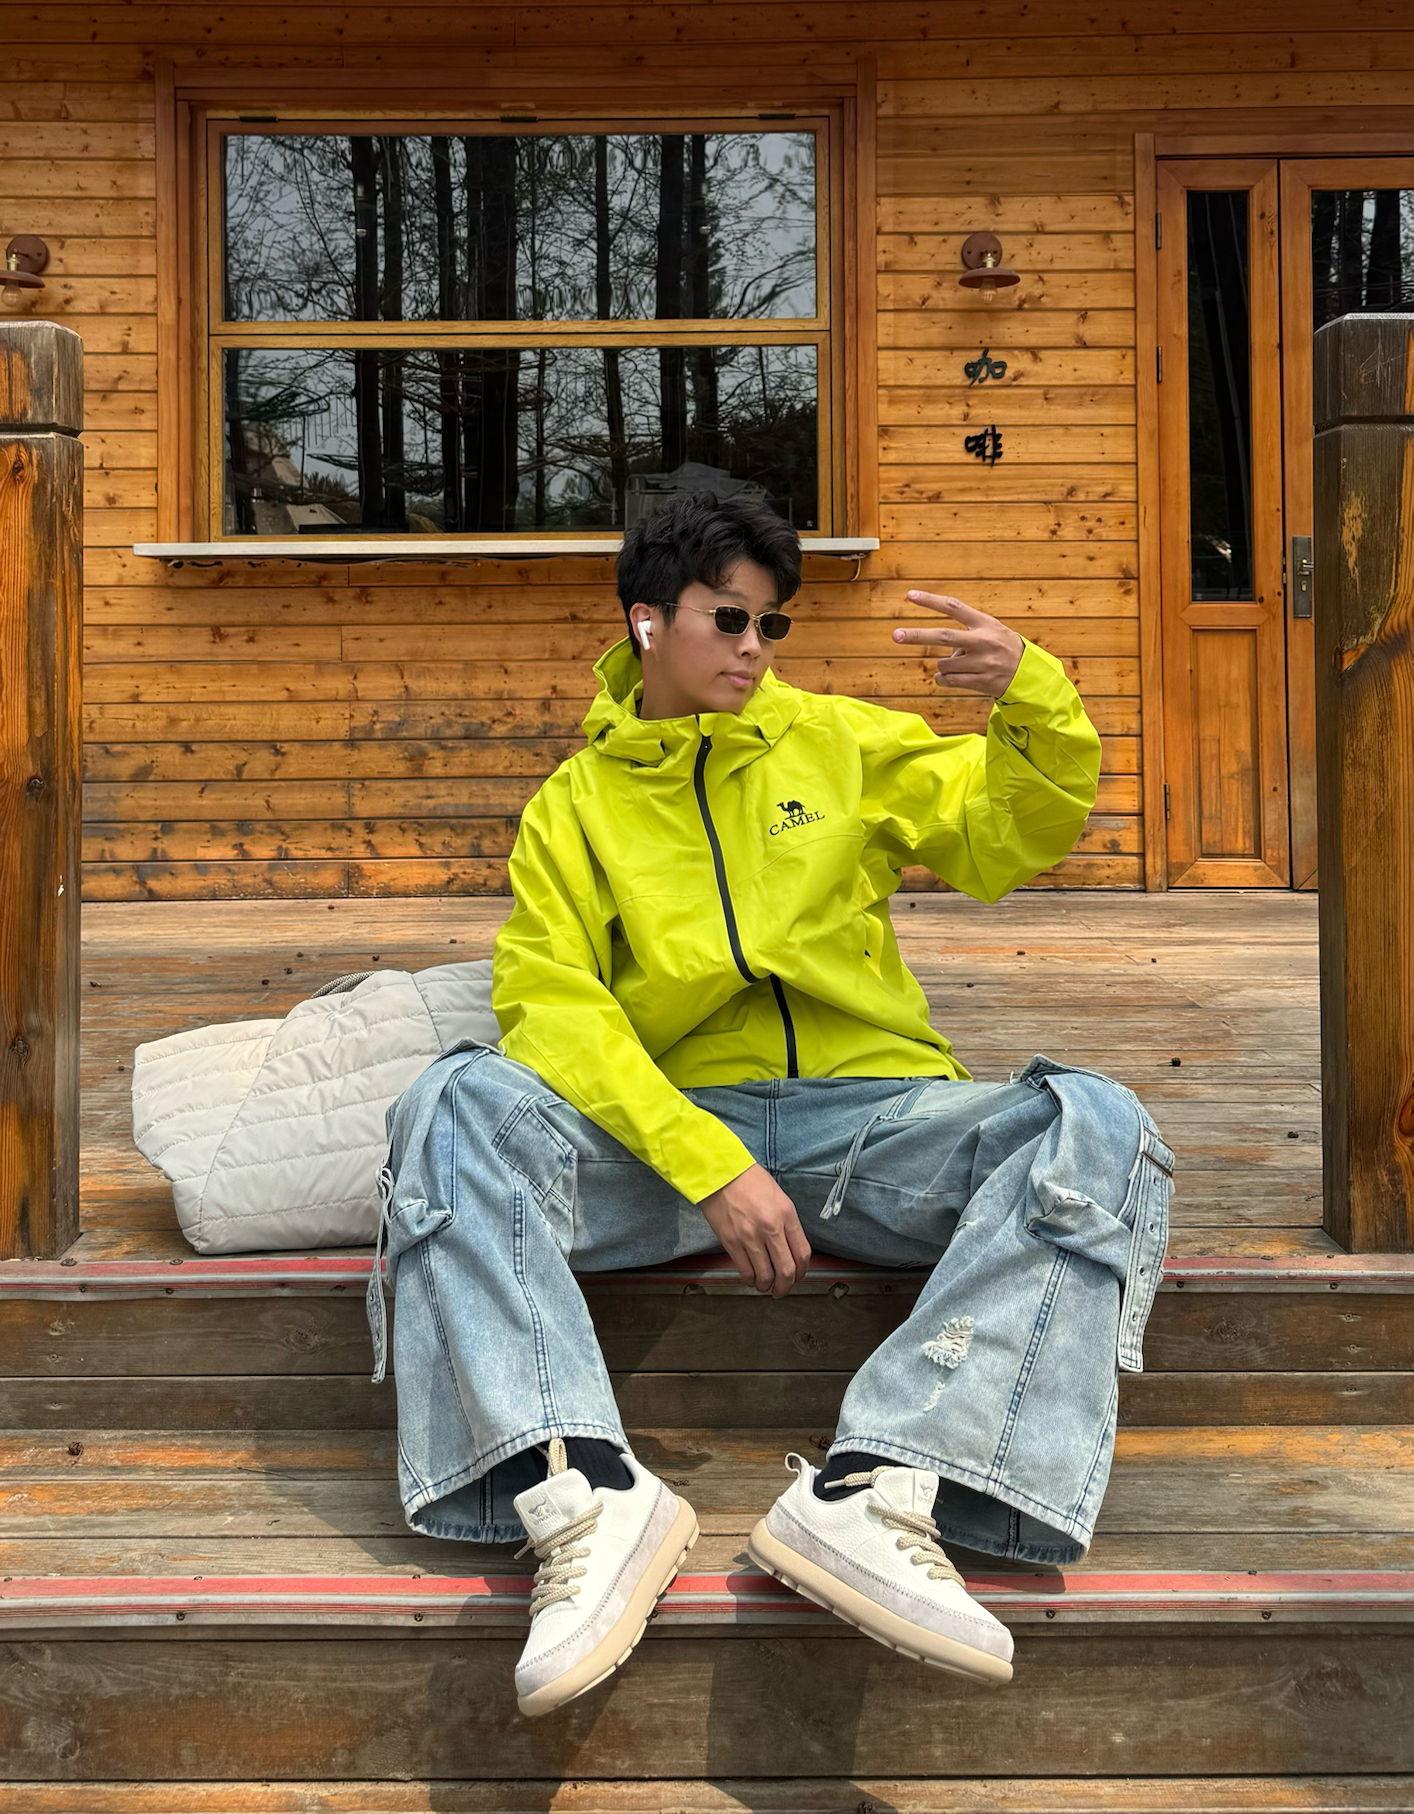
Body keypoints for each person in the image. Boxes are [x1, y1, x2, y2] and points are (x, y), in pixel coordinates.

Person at [368, 492, 1174, 1719]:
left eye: (772, 625)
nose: (754, 647)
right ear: (647, 621)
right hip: (671, 1143)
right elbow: (553, 1006)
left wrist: (1033, 697)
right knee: (452, 1098)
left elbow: (1011, 836)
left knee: (1095, 1121)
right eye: (729, 618)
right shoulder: (574, 807)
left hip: (871, 1126)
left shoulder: (840, 742)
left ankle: (884, 1488)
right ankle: (582, 1490)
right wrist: (705, 1160)